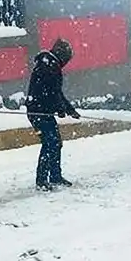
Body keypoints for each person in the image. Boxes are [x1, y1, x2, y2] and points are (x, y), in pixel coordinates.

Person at [25, 38, 81, 190]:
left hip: (41, 111)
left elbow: (56, 93)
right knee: (50, 144)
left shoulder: (48, 63)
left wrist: (69, 110)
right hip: (39, 112)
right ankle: (42, 180)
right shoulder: (50, 66)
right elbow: (52, 92)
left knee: (55, 143)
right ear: (62, 55)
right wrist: (61, 109)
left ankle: (55, 176)